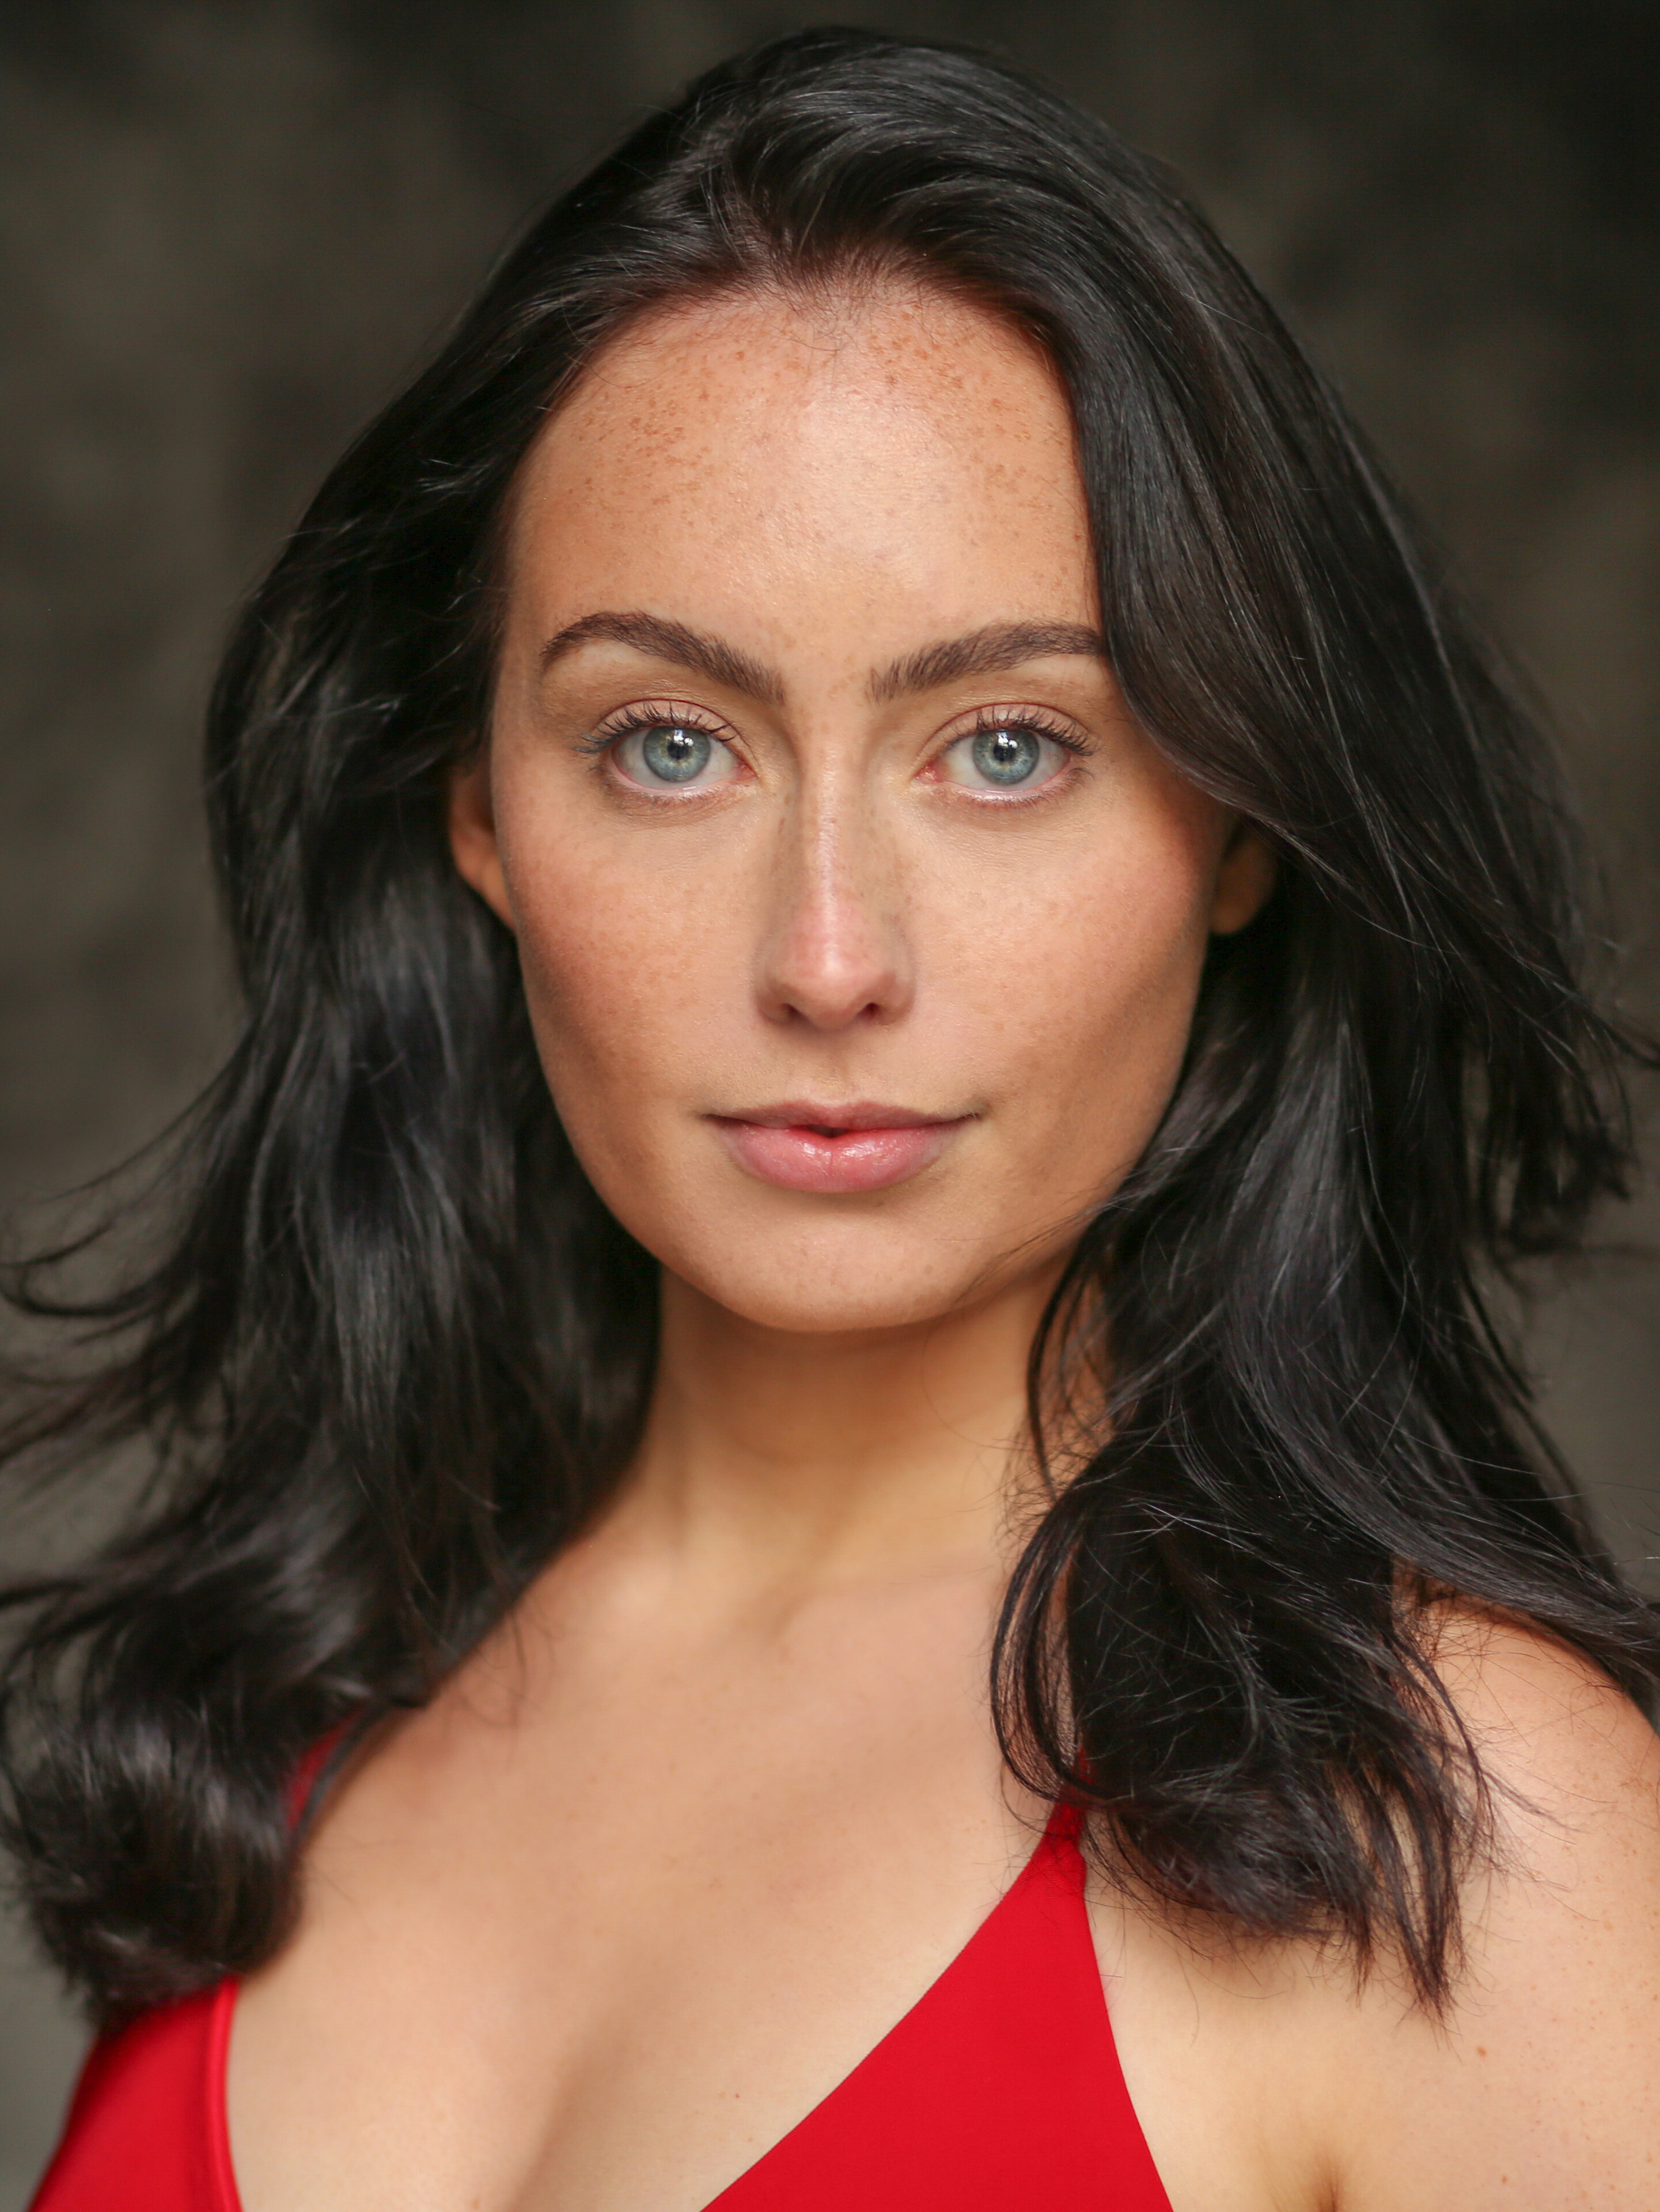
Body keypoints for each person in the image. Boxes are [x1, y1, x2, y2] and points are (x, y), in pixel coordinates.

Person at [7, 26, 1659, 2210]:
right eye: (668, 744)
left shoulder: (1471, 1840)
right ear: (476, 807)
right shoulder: (282, 1713)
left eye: (1005, 747)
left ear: (1240, 827)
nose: (825, 958)